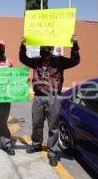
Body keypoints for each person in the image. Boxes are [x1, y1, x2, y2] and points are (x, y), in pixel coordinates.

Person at [19, 35, 80, 166]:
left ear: (51, 50)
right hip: (38, 97)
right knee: (36, 123)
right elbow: (23, 58)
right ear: (41, 50)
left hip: (54, 97)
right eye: (43, 49)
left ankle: (52, 151)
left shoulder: (60, 61)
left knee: (53, 126)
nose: (45, 52)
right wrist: (23, 45)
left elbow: (75, 61)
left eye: (48, 49)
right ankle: (36, 145)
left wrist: (74, 45)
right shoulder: (35, 61)